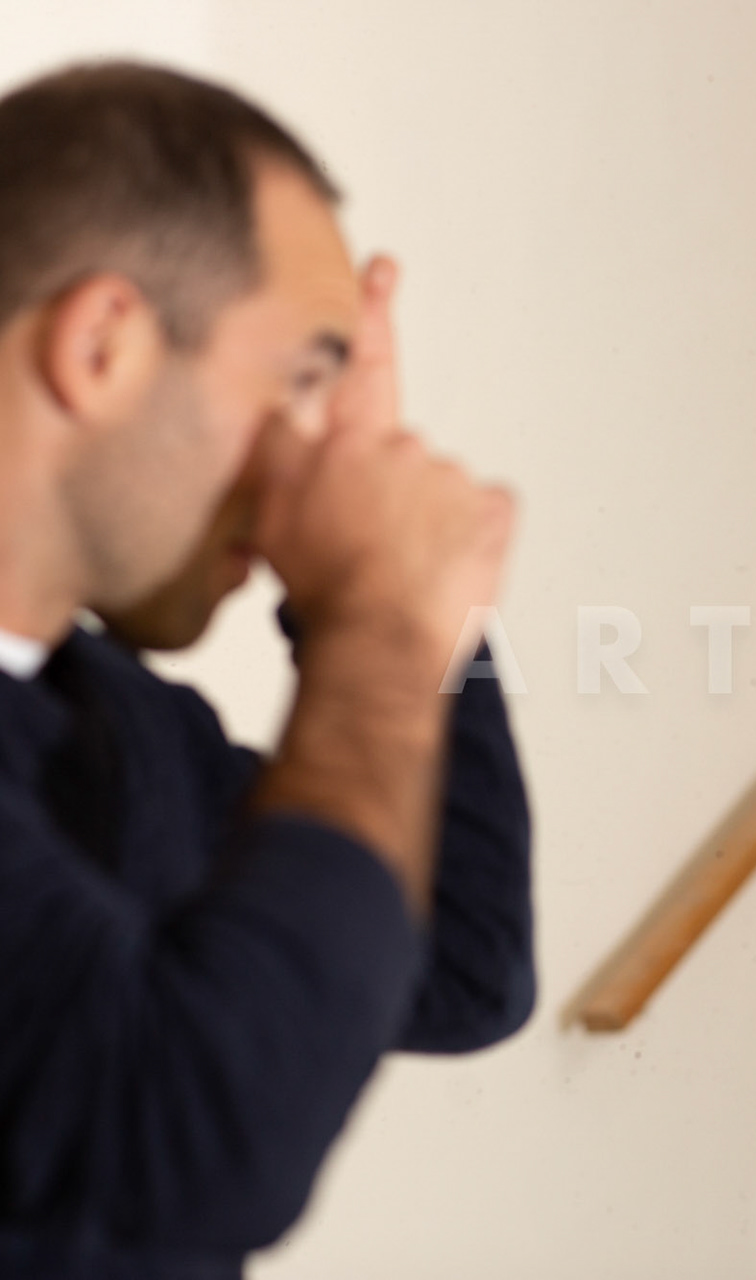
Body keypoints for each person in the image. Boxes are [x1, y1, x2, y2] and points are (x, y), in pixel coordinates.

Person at [0, 60, 530, 1276]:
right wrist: (382, 621)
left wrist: (397, 584)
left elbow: (459, 955)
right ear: (101, 348)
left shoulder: (119, 724)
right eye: (301, 378)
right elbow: (195, 1147)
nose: (316, 461)